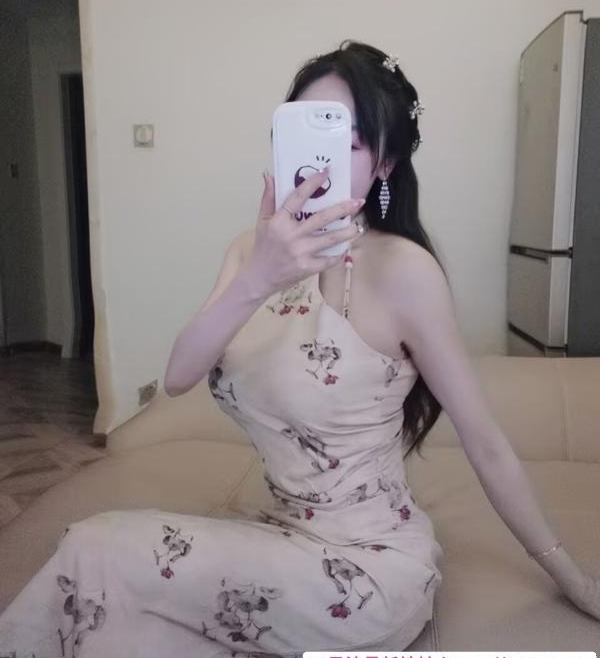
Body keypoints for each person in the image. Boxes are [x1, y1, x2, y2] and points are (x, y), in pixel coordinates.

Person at [0, 41, 598, 658]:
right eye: (306, 135)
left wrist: (572, 577)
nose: (321, 164)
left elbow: (485, 440)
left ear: (386, 163)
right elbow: (178, 377)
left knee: (93, 548)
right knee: (106, 633)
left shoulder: (405, 271)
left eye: (349, 144)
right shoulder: (248, 252)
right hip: (279, 540)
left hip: (366, 572)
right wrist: (259, 276)